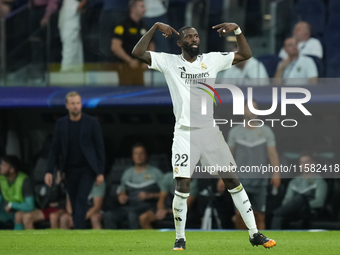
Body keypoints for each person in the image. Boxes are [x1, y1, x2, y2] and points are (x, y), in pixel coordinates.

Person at [132, 22, 276, 249]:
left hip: (210, 132)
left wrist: (237, 29)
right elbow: (138, 53)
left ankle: (254, 233)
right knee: (182, 186)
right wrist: (155, 27)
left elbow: (246, 54)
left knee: (232, 180)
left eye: (197, 36)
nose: (195, 40)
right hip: (184, 134)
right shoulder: (169, 62)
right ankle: (180, 238)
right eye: (189, 37)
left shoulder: (212, 60)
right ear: (179, 43)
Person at [45, 91, 105, 229]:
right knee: (73, 199)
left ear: (81, 104)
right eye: (72, 104)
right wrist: (49, 170)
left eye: (78, 103)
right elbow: (55, 149)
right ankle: (79, 228)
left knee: (81, 198)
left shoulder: (91, 123)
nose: (75, 106)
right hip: (70, 169)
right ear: (67, 106)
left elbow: (99, 148)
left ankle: (79, 229)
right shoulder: (61, 124)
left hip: (88, 168)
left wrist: (100, 171)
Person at [217, 100, 280, 230]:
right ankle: (241, 246)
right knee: (240, 215)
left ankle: (262, 245)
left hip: (260, 180)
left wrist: (276, 173)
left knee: (260, 216)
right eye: (250, 108)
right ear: (243, 111)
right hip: (241, 181)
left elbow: (272, 153)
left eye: (256, 107)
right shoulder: (235, 132)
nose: (253, 110)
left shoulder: (266, 131)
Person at [104, 143, 163, 229]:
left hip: (148, 206)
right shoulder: (127, 173)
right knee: (108, 215)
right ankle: (111, 241)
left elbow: (166, 193)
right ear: (132, 156)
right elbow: (122, 190)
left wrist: (150, 195)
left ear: (146, 156)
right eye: (136, 153)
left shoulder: (155, 172)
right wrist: (122, 196)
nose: (138, 156)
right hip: (131, 205)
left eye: (141, 153)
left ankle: (135, 242)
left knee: (132, 215)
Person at [271, 152, 327, 229]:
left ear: (313, 163)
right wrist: (293, 207)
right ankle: (275, 238)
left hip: (308, 211)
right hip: (293, 211)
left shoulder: (319, 181)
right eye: (302, 162)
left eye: (307, 162)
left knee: (300, 198)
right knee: (278, 217)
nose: (305, 165)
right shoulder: (294, 182)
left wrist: (301, 206)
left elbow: (319, 201)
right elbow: (286, 200)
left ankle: (273, 213)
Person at [111, 0, 155, 85]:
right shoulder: (122, 25)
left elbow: (151, 45)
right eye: (142, 7)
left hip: (140, 68)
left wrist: (147, 61)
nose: (144, 9)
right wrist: (130, 61)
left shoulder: (144, 27)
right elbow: (115, 47)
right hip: (125, 67)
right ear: (133, 9)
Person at [0, 156, 34, 230]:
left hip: (24, 211)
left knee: (18, 215)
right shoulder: (1, 178)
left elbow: (30, 206)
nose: (0, 167)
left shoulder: (24, 180)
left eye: (4, 165)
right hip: (7, 212)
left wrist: (11, 205)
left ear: (12, 170)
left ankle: (18, 240)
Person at [58, 0, 87, 72]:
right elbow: (78, 7)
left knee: (77, 55)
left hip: (72, 32)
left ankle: (76, 74)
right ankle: (64, 73)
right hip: (70, 32)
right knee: (69, 54)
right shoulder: (69, 1)